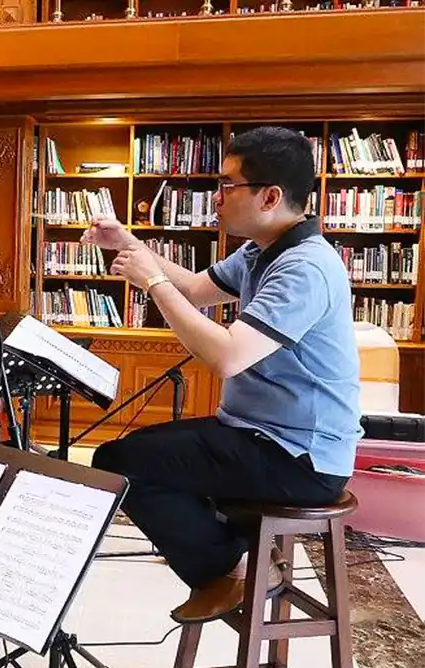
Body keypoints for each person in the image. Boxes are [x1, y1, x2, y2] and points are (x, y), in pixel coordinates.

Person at [87, 126, 360, 624]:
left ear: (270, 196)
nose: (216, 197)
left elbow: (229, 357)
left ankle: (232, 569)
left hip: (299, 457)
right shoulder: (262, 249)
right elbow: (194, 289)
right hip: (258, 435)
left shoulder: (305, 268)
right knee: (123, 456)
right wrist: (131, 243)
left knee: (122, 464)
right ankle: (239, 558)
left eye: (228, 185)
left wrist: (149, 282)